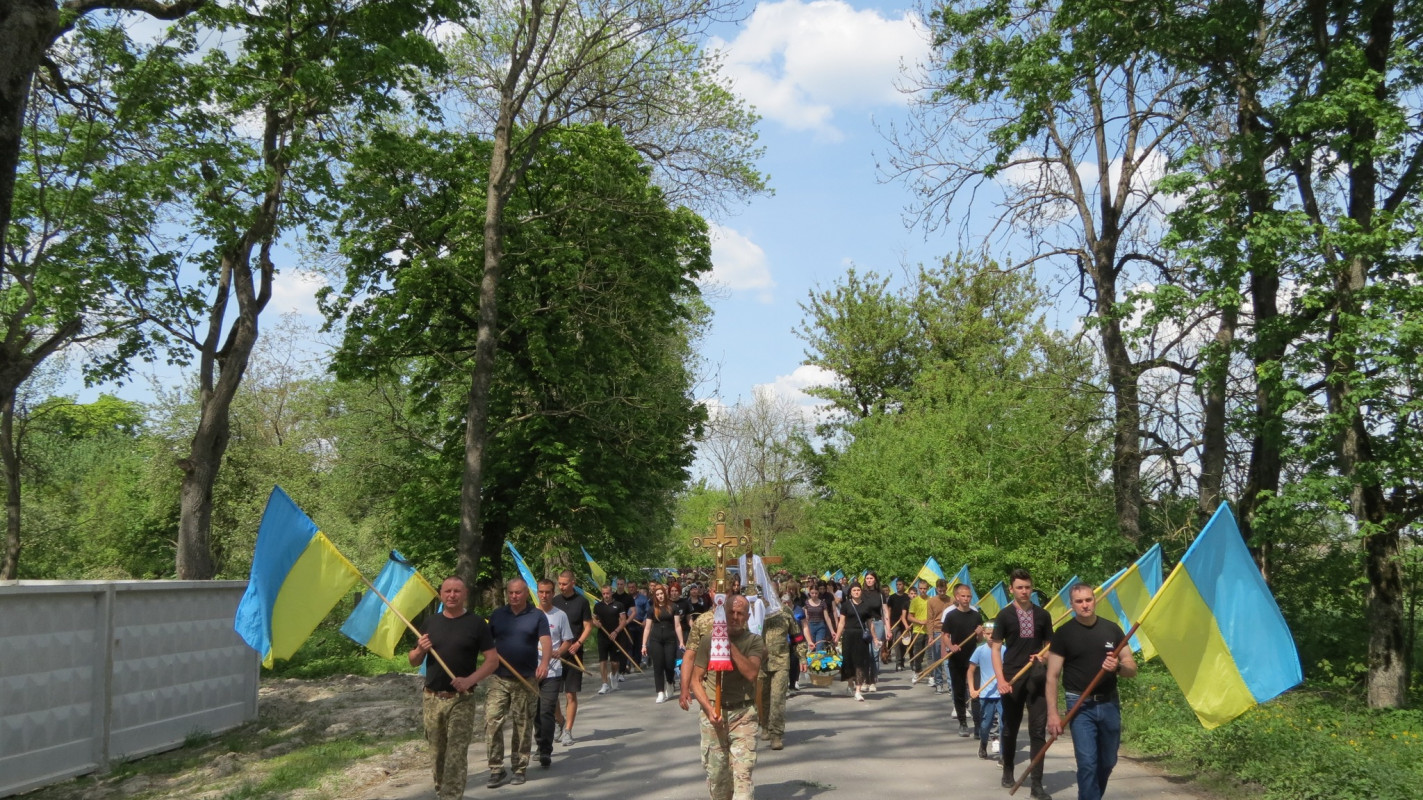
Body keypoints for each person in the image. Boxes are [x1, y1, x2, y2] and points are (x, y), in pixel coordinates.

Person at [409, 577, 500, 800]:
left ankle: (452, 796)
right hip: (432, 698)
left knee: (456, 754)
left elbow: (492, 661)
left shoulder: (477, 623)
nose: (452, 595)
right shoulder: (430, 622)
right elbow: (412, 660)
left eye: (457, 591)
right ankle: (443, 793)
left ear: (465, 594)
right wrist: (420, 650)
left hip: (461, 699)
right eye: (447, 591)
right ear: (441, 594)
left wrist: (470, 680)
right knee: (437, 754)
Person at [1047, 584, 1138, 800]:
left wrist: (1117, 667)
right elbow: (1052, 676)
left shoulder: (1112, 629)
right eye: (1079, 601)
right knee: (1087, 763)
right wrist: (1053, 714)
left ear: (1095, 600)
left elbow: (1131, 668)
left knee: (1108, 762)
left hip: (1109, 704)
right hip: (1079, 704)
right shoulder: (1063, 634)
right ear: (1072, 605)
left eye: (1088, 600)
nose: (1085, 605)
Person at [689, 594, 765, 800]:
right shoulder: (708, 641)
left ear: (747, 617)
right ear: (723, 614)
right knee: (718, 777)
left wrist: (728, 645)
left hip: (743, 714)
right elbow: (695, 680)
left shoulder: (754, 641)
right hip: (714, 714)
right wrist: (707, 708)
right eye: (731, 612)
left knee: (743, 775)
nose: (735, 617)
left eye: (740, 613)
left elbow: (751, 673)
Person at [991, 569, 1054, 800]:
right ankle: (1008, 767)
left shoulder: (1043, 615)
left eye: (1027, 587)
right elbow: (996, 649)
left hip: (1037, 677)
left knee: (1038, 731)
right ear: (1012, 589)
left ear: (1032, 588)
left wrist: (1043, 658)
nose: (1024, 591)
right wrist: (1001, 680)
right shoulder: (1004, 615)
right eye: (1019, 587)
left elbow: (1050, 647)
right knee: (1011, 728)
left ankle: (1037, 783)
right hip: (1012, 678)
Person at [485, 577, 551, 788]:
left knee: (522, 725)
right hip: (499, 678)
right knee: (492, 720)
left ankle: (519, 767)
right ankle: (496, 768)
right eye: (511, 592)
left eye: (518, 593)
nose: (514, 596)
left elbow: (545, 641)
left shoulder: (536, 615)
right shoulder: (498, 615)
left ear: (525, 594)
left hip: (526, 678)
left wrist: (545, 663)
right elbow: (486, 642)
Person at [757, 585, 807, 750]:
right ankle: (764, 725)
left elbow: (796, 635)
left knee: (778, 698)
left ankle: (776, 733)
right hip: (759, 663)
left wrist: (802, 657)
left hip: (781, 660)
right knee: (763, 698)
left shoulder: (785, 612)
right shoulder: (756, 610)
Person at [534, 579, 575, 769]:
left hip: (552, 670)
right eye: (541, 592)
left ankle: (545, 750)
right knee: (535, 712)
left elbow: (567, 639)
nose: (544, 595)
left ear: (553, 593)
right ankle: (539, 742)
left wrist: (561, 651)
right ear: (537, 593)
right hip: (531, 671)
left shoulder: (560, 615)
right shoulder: (530, 614)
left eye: (548, 592)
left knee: (546, 711)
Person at [551, 570, 592, 746]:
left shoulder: (581, 602)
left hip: (575, 652)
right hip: (555, 652)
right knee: (552, 694)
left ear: (573, 583)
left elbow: (588, 626)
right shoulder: (554, 602)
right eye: (559, 583)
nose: (561, 586)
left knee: (570, 693)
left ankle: (568, 730)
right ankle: (559, 721)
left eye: (565, 583)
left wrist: (579, 643)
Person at [940, 582, 984, 736]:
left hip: (973, 659)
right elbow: (945, 635)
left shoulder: (976, 615)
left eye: (968, 596)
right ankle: (963, 722)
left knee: (975, 691)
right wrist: (951, 646)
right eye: (963, 596)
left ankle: (978, 724)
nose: (966, 599)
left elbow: (979, 640)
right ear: (957, 597)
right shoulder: (951, 615)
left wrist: (979, 632)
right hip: (956, 658)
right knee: (958, 691)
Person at [641, 583, 685, 703]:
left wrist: (681, 641)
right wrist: (644, 644)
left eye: (661, 594)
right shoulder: (652, 609)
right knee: (658, 666)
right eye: (657, 594)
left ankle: (670, 682)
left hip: (670, 639)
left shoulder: (673, 607)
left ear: (665, 594)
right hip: (656, 640)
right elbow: (647, 628)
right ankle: (660, 692)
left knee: (669, 664)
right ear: (655, 596)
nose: (660, 596)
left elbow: (677, 626)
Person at [835, 582, 878, 701]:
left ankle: (858, 691)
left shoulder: (866, 605)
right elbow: (842, 623)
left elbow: (870, 623)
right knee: (848, 661)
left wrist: (874, 638)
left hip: (861, 636)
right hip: (849, 634)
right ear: (850, 592)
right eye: (854, 590)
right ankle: (850, 683)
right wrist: (837, 637)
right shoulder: (846, 605)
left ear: (861, 591)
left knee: (860, 662)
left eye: (858, 590)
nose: (856, 592)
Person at [968, 622, 1004, 761]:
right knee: (985, 725)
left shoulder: (1005, 650)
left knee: (1004, 724)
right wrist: (972, 689)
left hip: (1002, 693)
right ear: (983, 634)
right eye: (988, 634)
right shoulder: (979, 650)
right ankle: (983, 744)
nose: (991, 637)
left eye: (993, 634)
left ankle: (1003, 754)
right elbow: (970, 671)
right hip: (986, 694)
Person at [593, 584, 630, 694]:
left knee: (614, 663)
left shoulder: (619, 605)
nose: (606, 595)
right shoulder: (598, 606)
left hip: (616, 637)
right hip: (603, 636)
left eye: (607, 593)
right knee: (602, 660)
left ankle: (613, 675)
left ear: (611, 593)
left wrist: (616, 631)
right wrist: (596, 623)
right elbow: (593, 619)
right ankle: (604, 684)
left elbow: (623, 621)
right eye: (603, 594)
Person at [924, 578, 953, 692]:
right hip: (936, 631)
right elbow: (930, 619)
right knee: (937, 659)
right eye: (940, 590)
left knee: (947, 659)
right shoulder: (931, 601)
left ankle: (951, 686)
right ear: (936, 589)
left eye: (944, 590)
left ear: (946, 589)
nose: (942, 593)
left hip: (948, 632)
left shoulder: (952, 600)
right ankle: (939, 683)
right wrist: (930, 635)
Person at [861, 572, 888, 688]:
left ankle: (872, 680)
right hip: (864, 624)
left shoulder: (880, 594)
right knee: (865, 653)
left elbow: (885, 611)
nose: (869, 580)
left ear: (875, 580)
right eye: (867, 578)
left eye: (871, 578)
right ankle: (864, 679)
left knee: (875, 652)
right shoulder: (861, 593)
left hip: (877, 623)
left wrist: (888, 628)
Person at [887, 581, 912, 670]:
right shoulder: (892, 597)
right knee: (897, 641)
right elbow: (889, 610)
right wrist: (888, 623)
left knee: (904, 642)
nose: (898, 586)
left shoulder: (907, 597)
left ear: (904, 585)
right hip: (895, 622)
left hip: (905, 622)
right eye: (897, 585)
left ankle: (902, 660)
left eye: (900, 584)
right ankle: (898, 663)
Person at [906, 583, 929, 676]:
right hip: (917, 630)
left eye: (924, 588)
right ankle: (917, 671)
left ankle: (931, 674)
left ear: (928, 588)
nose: (923, 590)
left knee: (928, 653)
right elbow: (909, 617)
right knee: (918, 652)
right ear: (919, 589)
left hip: (929, 631)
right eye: (921, 588)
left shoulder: (931, 600)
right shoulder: (914, 601)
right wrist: (920, 621)